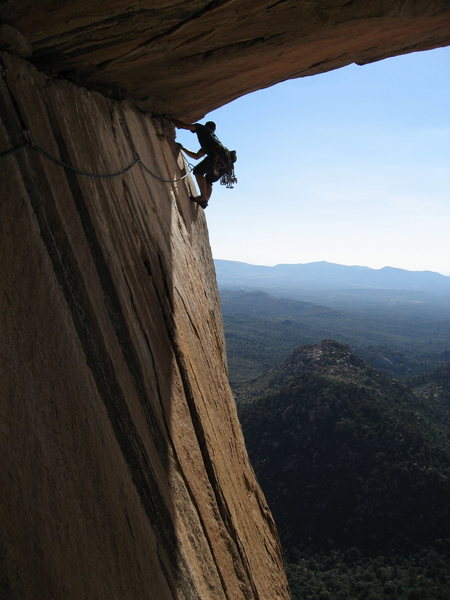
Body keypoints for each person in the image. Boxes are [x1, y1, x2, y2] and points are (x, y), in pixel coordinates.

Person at [171, 119, 236, 209]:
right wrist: (182, 148)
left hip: (218, 157)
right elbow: (196, 156)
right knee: (209, 180)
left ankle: (203, 198)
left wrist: (174, 122)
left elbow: (188, 126)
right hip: (227, 164)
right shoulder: (211, 141)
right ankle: (205, 201)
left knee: (198, 171)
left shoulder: (202, 128)